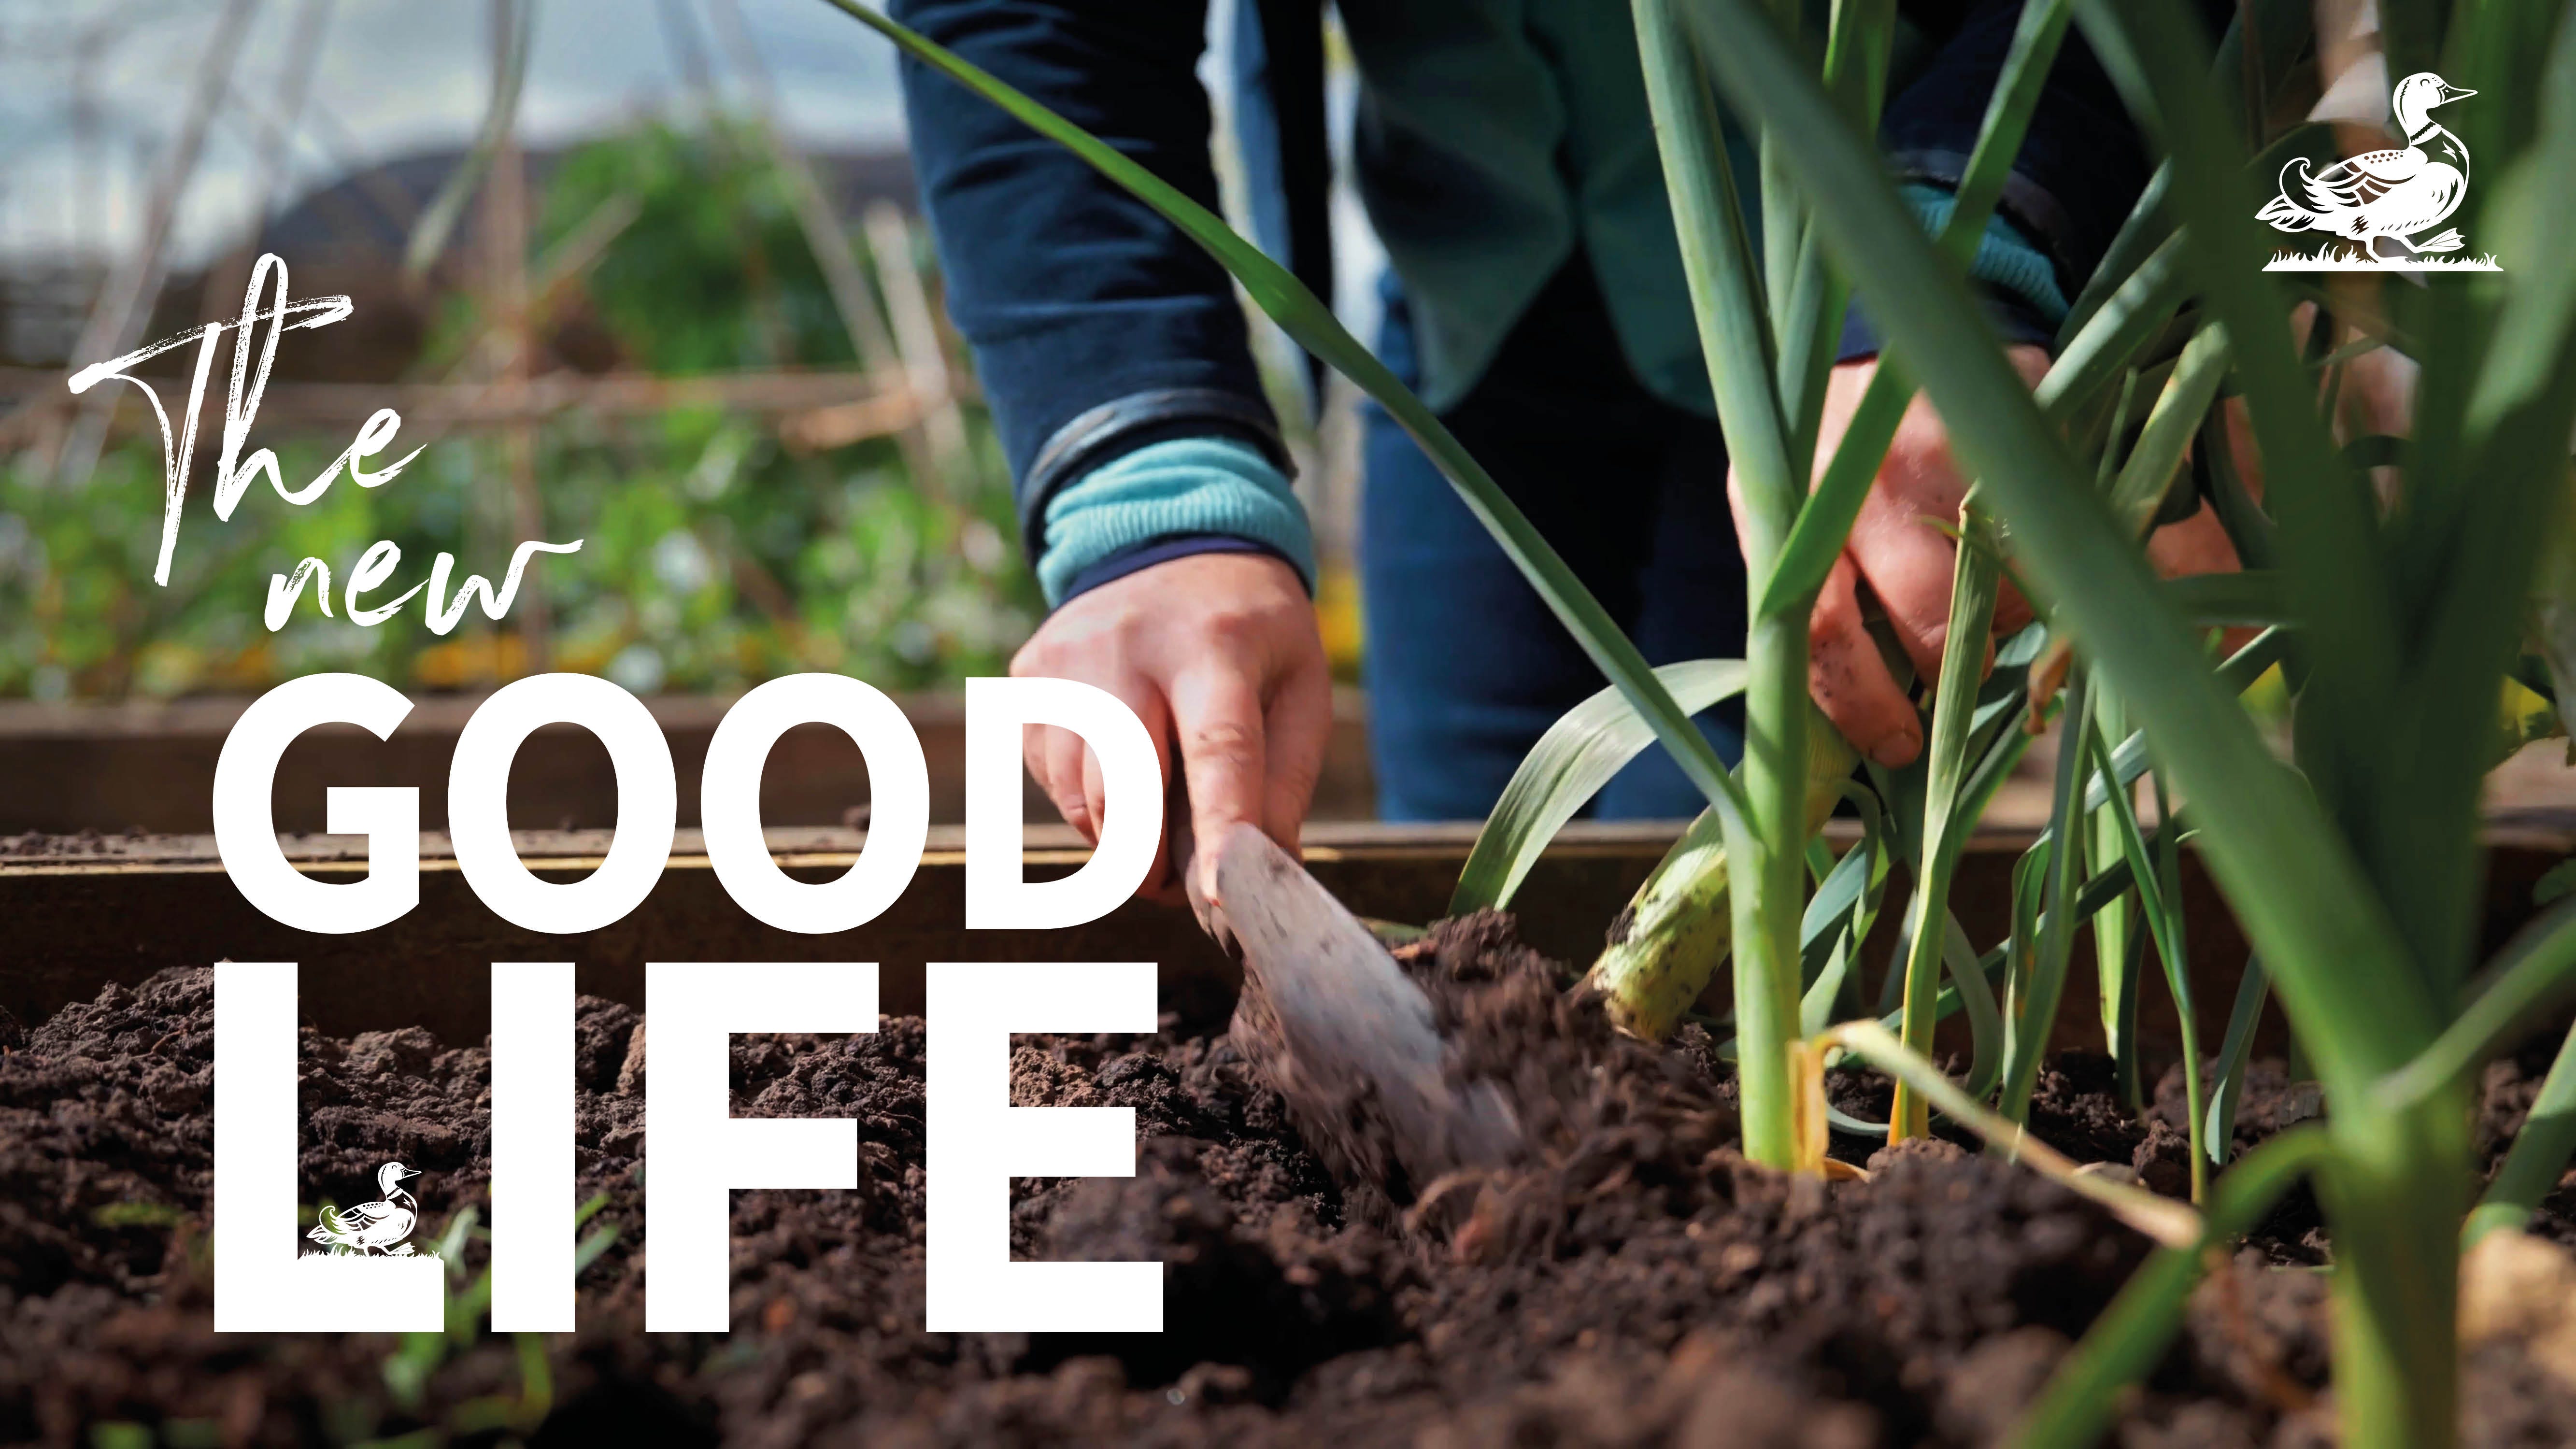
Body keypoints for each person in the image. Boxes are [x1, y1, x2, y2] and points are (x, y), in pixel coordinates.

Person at [891, 0, 2235, 895]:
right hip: (1476, 332)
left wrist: (1970, 247)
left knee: (1813, 914)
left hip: (1871, 361)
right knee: (1470, 882)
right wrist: (1153, 481)